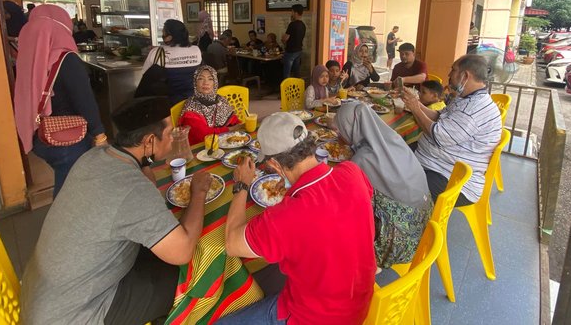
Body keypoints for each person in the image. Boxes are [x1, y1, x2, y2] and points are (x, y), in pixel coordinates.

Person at [21, 97, 213, 325]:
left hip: (45, 298)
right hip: (77, 314)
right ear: (149, 140)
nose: (172, 139)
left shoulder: (93, 157)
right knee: (182, 273)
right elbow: (182, 251)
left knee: (152, 251)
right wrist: (198, 192)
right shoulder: (131, 189)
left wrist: (146, 159)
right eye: (170, 133)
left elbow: (144, 186)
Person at [219, 112, 376, 325]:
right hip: (361, 304)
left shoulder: (286, 216)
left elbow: (231, 243)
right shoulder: (352, 172)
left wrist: (242, 185)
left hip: (314, 318)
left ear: (274, 164)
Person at [14, 5, 106, 196]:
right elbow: (84, 100)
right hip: (68, 139)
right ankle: (64, 224)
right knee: (69, 195)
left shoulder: (30, 57)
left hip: (40, 134)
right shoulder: (66, 59)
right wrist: (99, 135)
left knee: (67, 184)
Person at [335, 103, 433, 267]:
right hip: (426, 222)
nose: (339, 133)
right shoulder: (393, 138)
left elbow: (346, 196)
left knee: (342, 214)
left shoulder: (362, 159)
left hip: (402, 243)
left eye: (341, 129)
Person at [402, 54, 502, 206]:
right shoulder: (466, 98)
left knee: (397, 184)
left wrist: (415, 109)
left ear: (465, 76)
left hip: (450, 178)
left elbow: (439, 135)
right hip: (435, 162)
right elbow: (439, 116)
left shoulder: (472, 109)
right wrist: (416, 103)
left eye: (453, 70)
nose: (449, 75)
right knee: (392, 156)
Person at [141, 19, 202, 104]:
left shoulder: (157, 52)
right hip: (191, 102)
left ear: (170, 36)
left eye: (164, 32)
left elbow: (145, 76)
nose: (163, 34)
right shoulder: (196, 50)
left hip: (166, 106)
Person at [178, 65, 240, 145]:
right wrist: (230, 129)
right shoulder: (191, 106)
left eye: (210, 79)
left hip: (223, 143)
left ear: (215, 82)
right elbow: (204, 135)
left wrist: (238, 126)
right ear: (195, 82)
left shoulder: (220, 100)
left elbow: (235, 121)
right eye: (201, 78)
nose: (206, 83)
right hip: (200, 149)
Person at [281, 4, 306, 79]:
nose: (291, 13)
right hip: (298, 50)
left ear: (295, 12)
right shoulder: (303, 25)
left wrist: (284, 42)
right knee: (296, 72)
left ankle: (286, 89)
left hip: (290, 51)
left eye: (292, 11)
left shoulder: (292, 24)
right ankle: (297, 87)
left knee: (287, 73)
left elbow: (285, 38)